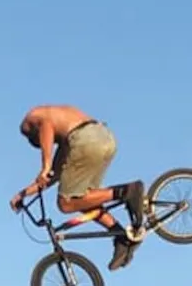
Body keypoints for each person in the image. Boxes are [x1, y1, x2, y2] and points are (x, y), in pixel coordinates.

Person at [8, 105, 147, 270]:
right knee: (82, 199)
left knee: (65, 203)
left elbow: (45, 124)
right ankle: (121, 236)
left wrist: (45, 165)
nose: (49, 144)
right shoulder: (65, 135)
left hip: (85, 139)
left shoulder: (31, 121)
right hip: (105, 138)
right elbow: (54, 175)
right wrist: (24, 194)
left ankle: (126, 192)